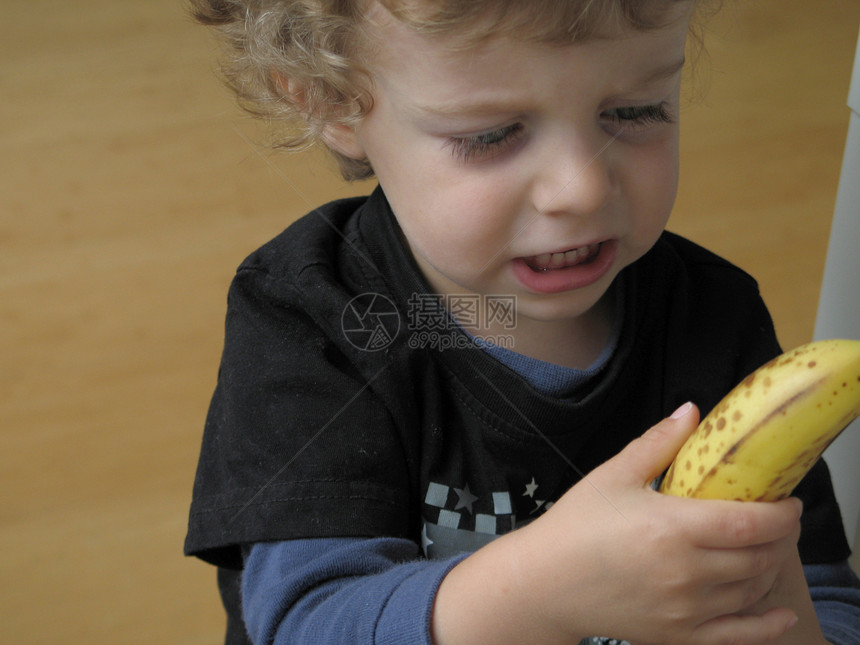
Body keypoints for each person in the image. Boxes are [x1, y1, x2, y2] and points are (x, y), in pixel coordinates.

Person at [183, 1, 860, 643]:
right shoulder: (312, 320)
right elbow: (306, 622)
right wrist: (542, 590)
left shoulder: (716, 318)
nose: (582, 188)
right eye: (491, 135)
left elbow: (826, 592)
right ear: (330, 101)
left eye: (635, 109)